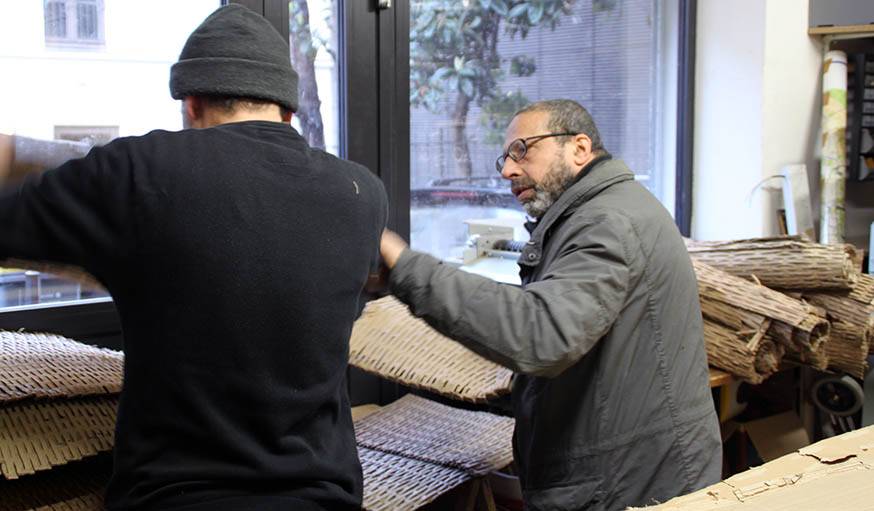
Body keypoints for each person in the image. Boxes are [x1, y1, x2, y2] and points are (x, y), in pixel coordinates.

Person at [0, 5, 387, 510]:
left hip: (176, 498)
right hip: (323, 498)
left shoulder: (138, 172)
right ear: (287, 110)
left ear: (191, 103)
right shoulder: (363, 194)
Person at [380, 99, 722, 510]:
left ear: (579, 148)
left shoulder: (606, 223)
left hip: (626, 483)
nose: (508, 169)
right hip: (623, 470)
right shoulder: (593, 213)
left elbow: (543, 334)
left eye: (523, 150)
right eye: (504, 157)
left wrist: (405, 266)